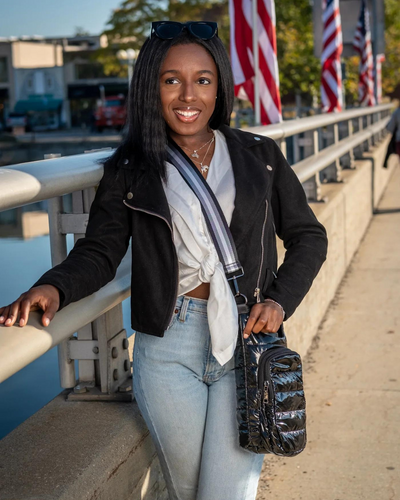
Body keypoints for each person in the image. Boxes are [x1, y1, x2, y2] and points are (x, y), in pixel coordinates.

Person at [0, 21, 328, 500]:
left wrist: (280, 301)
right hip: (167, 345)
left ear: (219, 89)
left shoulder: (261, 156)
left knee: (225, 494)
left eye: (203, 79)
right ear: (151, 87)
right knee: (189, 489)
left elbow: (308, 237)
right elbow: (99, 251)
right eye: (171, 79)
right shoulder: (130, 167)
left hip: (247, 341)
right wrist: (53, 287)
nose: (187, 94)